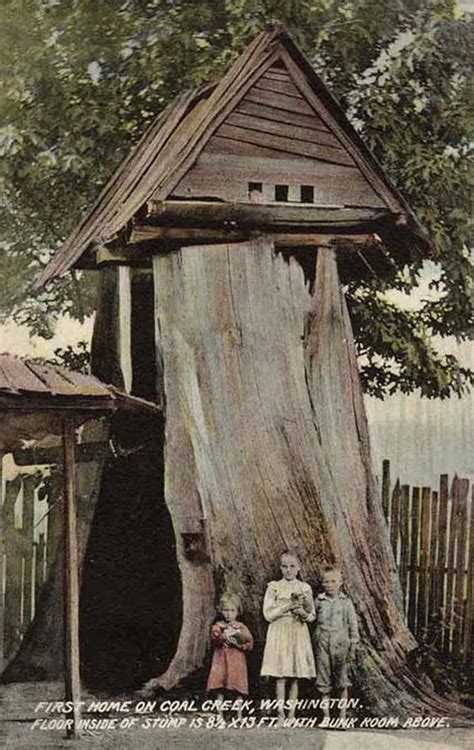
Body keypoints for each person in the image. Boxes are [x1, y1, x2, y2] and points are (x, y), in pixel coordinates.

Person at [260, 551, 316, 724]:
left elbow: (312, 614)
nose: (289, 570)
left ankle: (291, 713)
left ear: (298, 568)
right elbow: (268, 614)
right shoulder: (274, 587)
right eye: (285, 566)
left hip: (297, 630)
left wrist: (303, 613)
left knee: (295, 674)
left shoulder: (304, 588)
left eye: (292, 566)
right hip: (280, 631)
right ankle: (280, 714)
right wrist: (286, 608)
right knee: (280, 674)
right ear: (280, 568)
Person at [312, 568, 359, 720]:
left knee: (342, 680)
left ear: (341, 583)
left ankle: (342, 717)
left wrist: (352, 646)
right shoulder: (319, 601)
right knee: (323, 679)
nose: (330, 585)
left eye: (333, 581)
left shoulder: (346, 603)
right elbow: (312, 621)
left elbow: (353, 626)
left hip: (341, 643)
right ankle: (326, 717)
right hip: (322, 641)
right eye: (326, 581)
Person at [206, 593, 253, 719]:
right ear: (221, 611)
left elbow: (248, 642)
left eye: (232, 610)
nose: (229, 613)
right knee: (220, 687)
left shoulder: (241, 627)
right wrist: (222, 637)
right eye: (226, 610)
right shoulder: (218, 626)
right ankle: (219, 715)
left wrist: (238, 640)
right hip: (221, 660)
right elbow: (215, 639)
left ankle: (239, 715)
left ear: (237, 611)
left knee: (238, 687)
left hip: (237, 660)